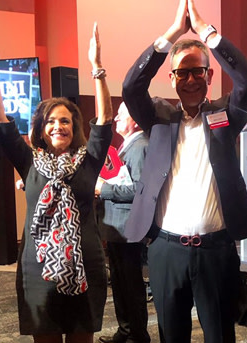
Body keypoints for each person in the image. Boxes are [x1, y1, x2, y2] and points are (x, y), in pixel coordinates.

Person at [121, 0, 247, 341]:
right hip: (166, 250)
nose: (191, 79)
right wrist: (171, 35)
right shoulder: (157, 118)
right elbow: (130, 88)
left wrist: (207, 34)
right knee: (172, 336)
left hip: (216, 250)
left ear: (210, 75)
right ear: (171, 79)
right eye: (182, 72)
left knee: (219, 335)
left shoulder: (225, 116)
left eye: (198, 70)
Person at [0, 21, 113, 343]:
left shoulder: (89, 159)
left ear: (74, 126)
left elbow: (105, 122)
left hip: (85, 261)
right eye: (51, 121)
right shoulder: (28, 161)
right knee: (46, 337)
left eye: (65, 121)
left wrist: (97, 69)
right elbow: (1, 124)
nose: (58, 126)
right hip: (38, 266)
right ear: (41, 129)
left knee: (82, 336)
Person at [95, 102, 150, 343]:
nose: (115, 119)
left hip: (128, 229)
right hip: (118, 229)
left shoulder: (140, 147)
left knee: (130, 286)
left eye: (121, 115)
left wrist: (103, 189)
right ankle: (126, 331)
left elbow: (140, 189)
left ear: (135, 120)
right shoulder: (128, 145)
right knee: (120, 284)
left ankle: (137, 336)